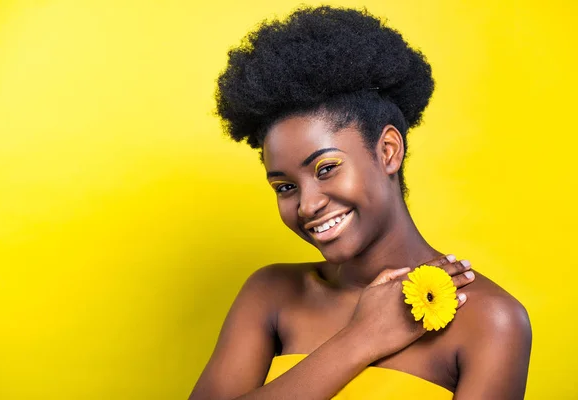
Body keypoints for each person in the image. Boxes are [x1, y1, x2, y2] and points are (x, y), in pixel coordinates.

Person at [189, 6, 531, 399]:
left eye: (325, 168)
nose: (306, 205)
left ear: (387, 151)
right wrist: (361, 338)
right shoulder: (271, 293)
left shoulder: (489, 319)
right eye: (284, 187)